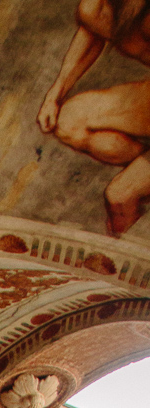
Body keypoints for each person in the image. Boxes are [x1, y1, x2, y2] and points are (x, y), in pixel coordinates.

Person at [38, 1, 150, 236]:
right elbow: (92, 29)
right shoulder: (98, 8)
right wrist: (55, 94)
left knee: (120, 196)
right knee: (70, 122)